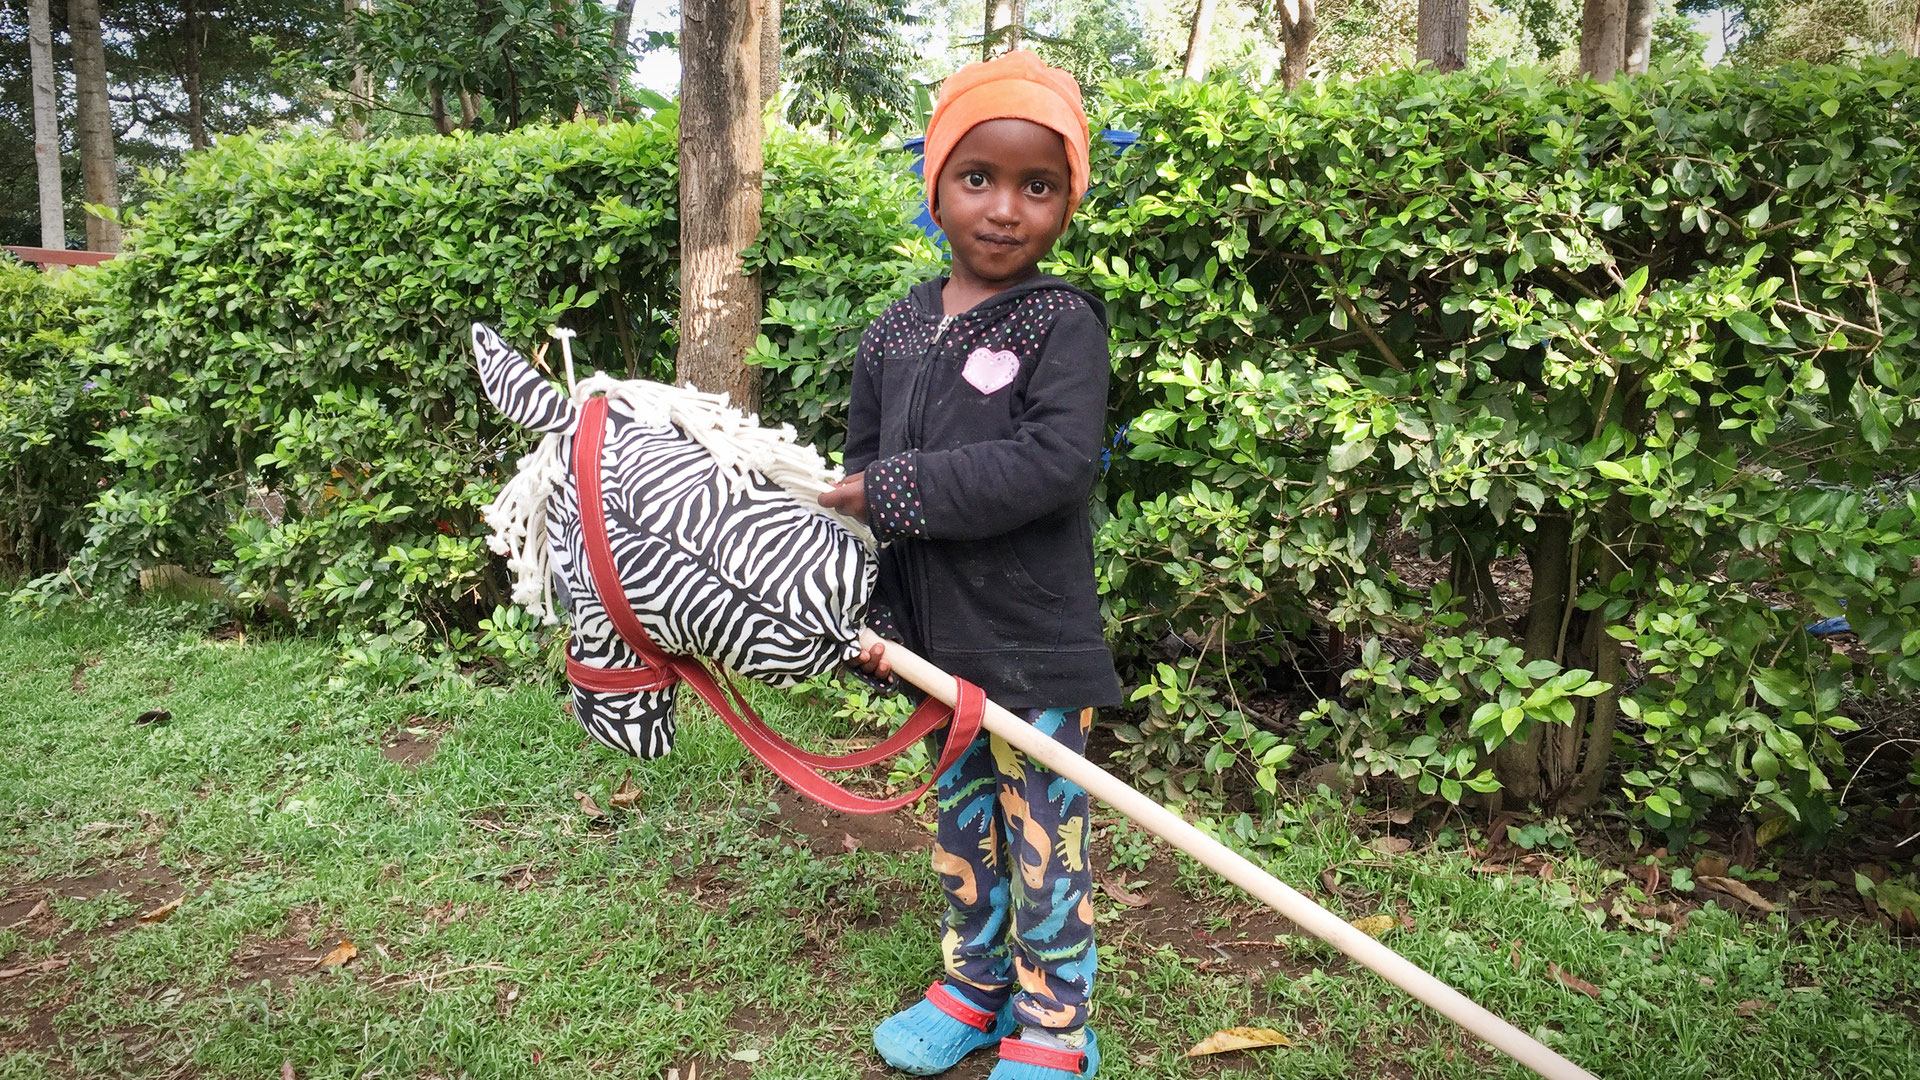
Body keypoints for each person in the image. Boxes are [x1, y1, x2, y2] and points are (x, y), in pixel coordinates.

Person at [817, 49, 1121, 1080]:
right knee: (963, 828)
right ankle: (973, 985)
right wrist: (876, 615)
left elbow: (1054, 464)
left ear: (1068, 203)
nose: (1003, 208)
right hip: (934, 646)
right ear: (936, 182)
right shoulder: (896, 329)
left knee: (1045, 843)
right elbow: (863, 476)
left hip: (1034, 645)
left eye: (1038, 186)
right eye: (978, 177)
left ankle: (1054, 1023)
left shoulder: (1061, 323)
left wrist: (891, 490)